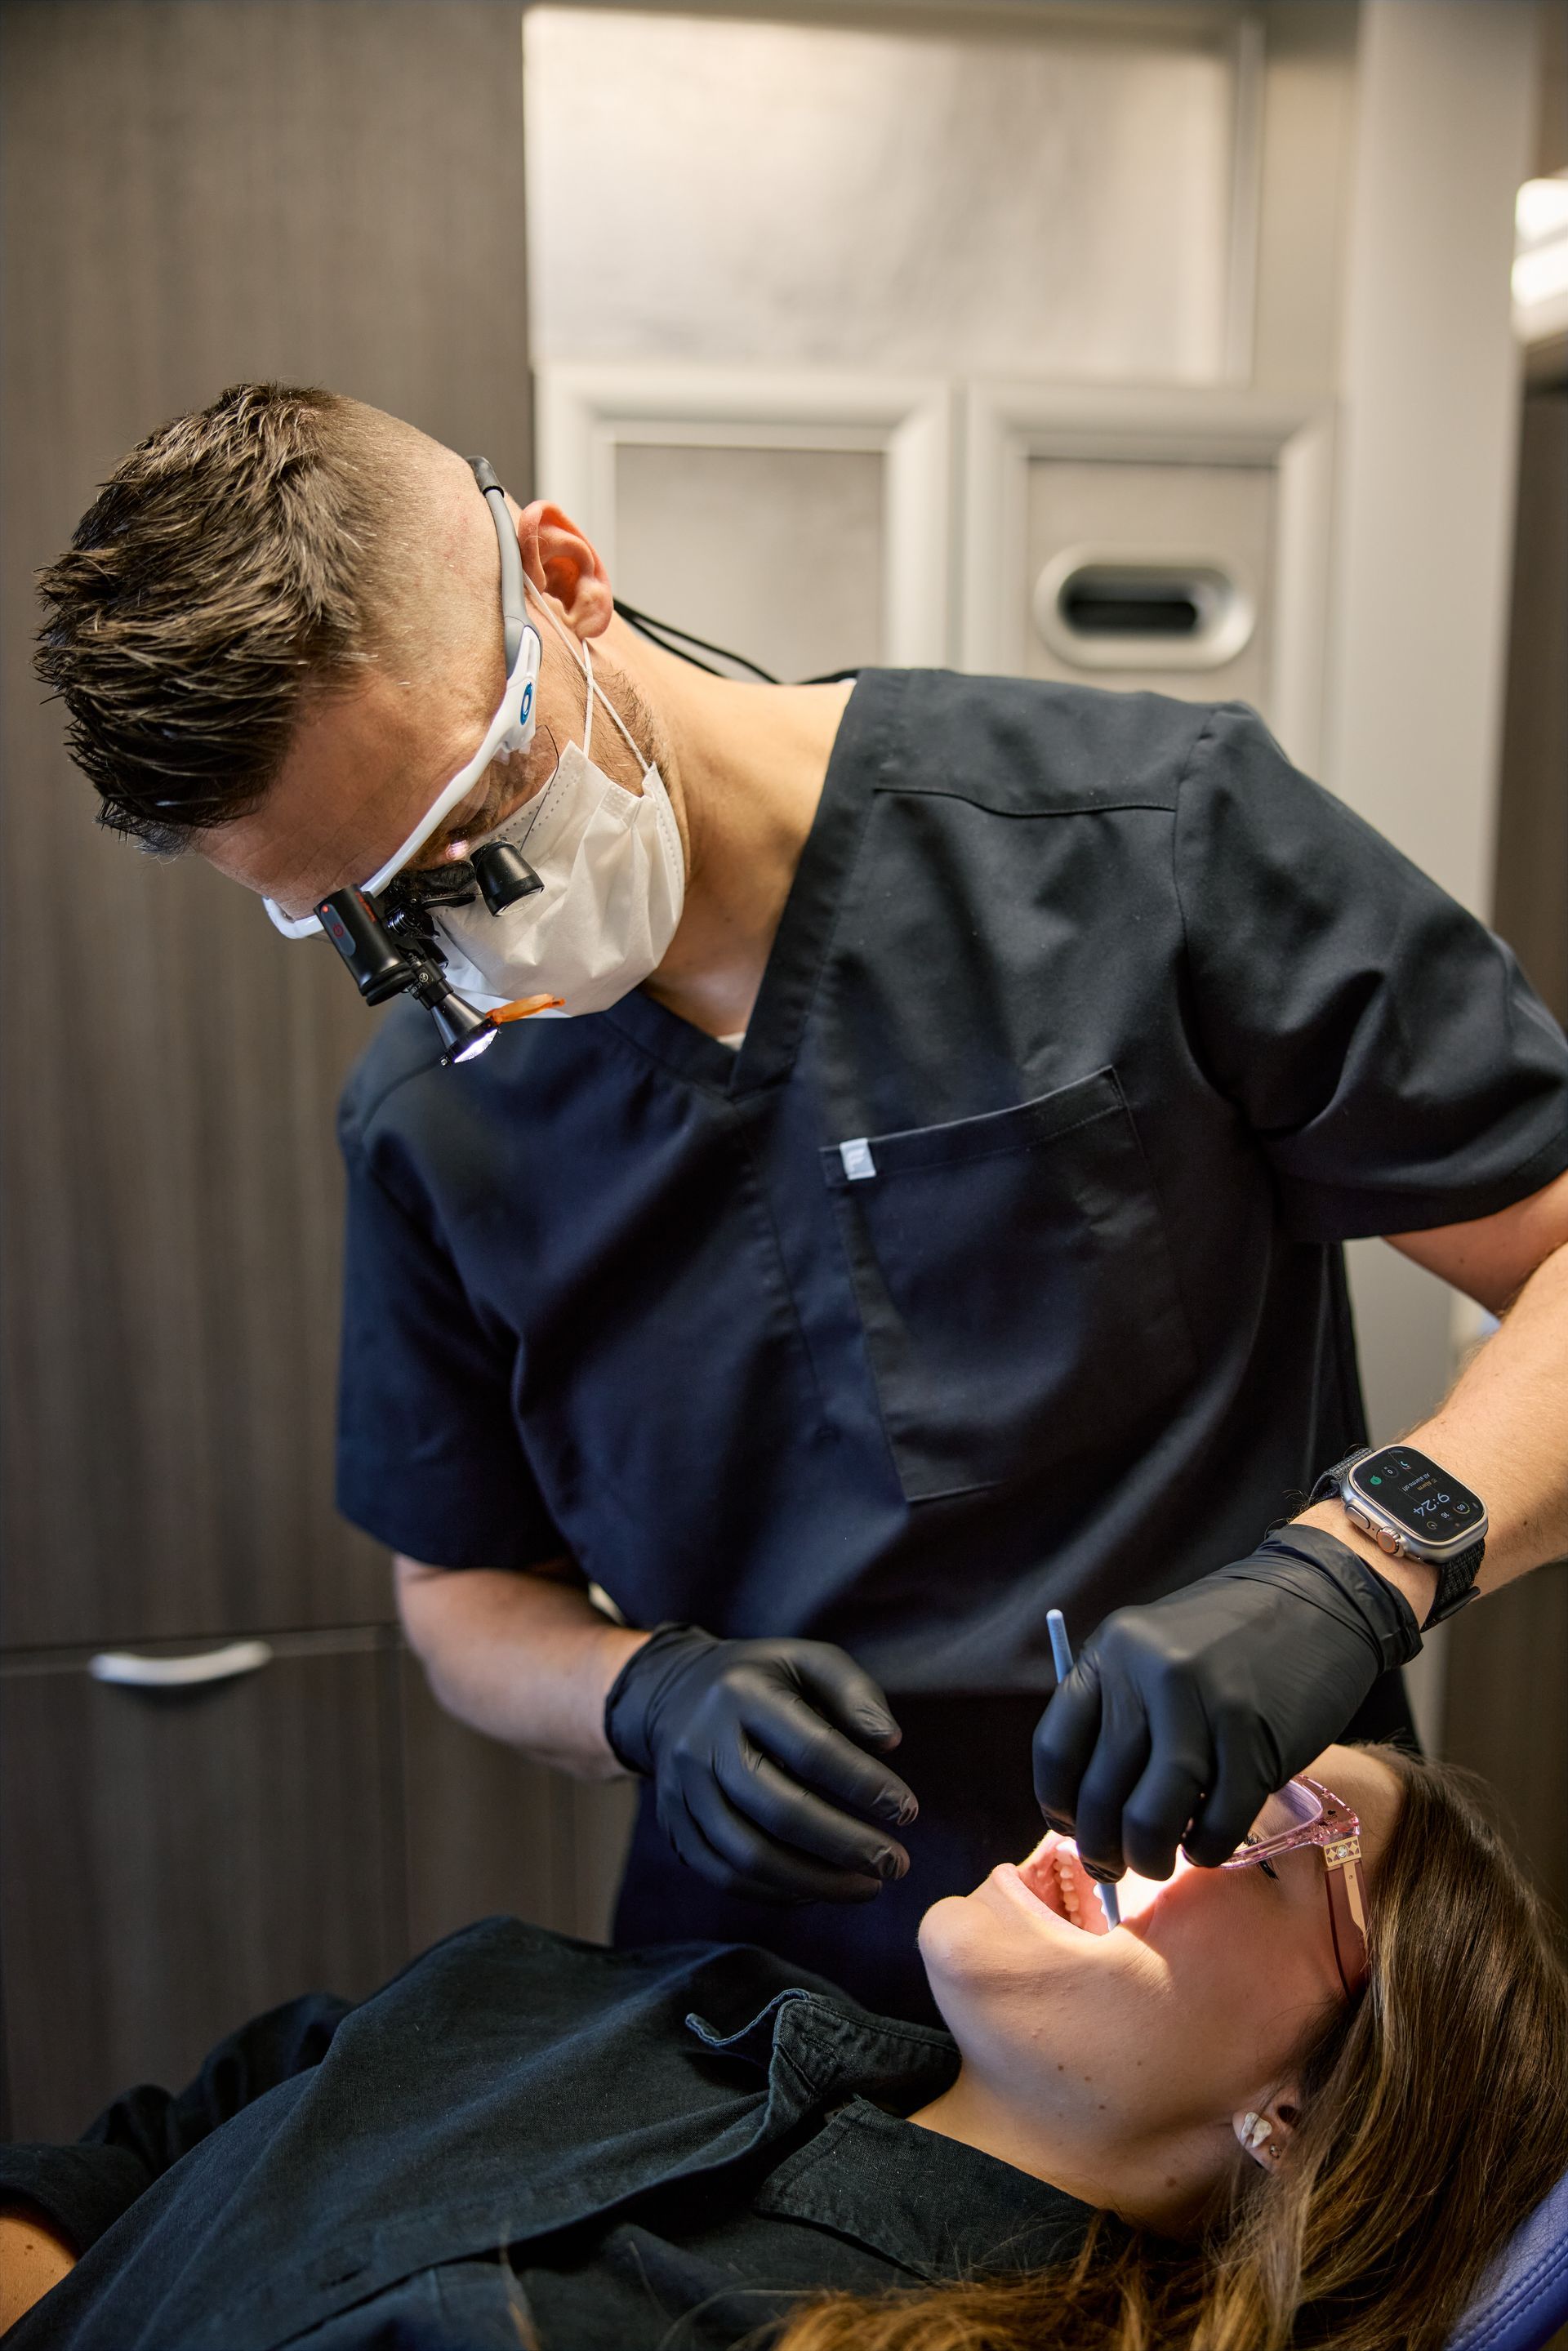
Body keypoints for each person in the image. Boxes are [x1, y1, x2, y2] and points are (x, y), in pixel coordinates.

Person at [34, 385, 1568, 2021]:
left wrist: (1356, 1569)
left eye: (472, 823)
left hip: (1223, 1921)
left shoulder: (1140, 843)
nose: (471, 934)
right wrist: (647, 1700)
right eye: (370, 918)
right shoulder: (437, 1117)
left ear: (562, 577)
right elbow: (464, 1593)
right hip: (767, 1986)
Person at [1, 1745, 1565, 2350]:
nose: (1144, 1820)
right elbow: (139, 2165)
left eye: (1269, 1837)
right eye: (1190, 1769)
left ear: (1300, 2114)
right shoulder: (637, 2003)